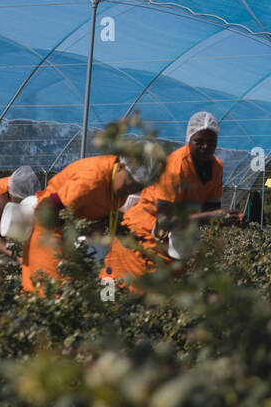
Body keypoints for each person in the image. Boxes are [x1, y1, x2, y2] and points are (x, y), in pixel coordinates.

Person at [103, 112, 244, 289]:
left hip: (176, 238)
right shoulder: (176, 166)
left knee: (165, 296)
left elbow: (210, 211)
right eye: (198, 141)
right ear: (189, 139)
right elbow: (165, 222)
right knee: (125, 286)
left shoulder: (216, 168)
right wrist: (212, 216)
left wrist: (230, 218)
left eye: (211, 142)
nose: (205, 147)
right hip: (144, 229)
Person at [21, 150, 162, 293]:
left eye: (135, 189)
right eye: (128, 185)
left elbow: (97, 219)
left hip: (68, 235)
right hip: (48, 229)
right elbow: (47, 208)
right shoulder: (92, 179)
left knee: (74, 289)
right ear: (120, 167)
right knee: (49, 290)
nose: (129, 191)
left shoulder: (118, 190)